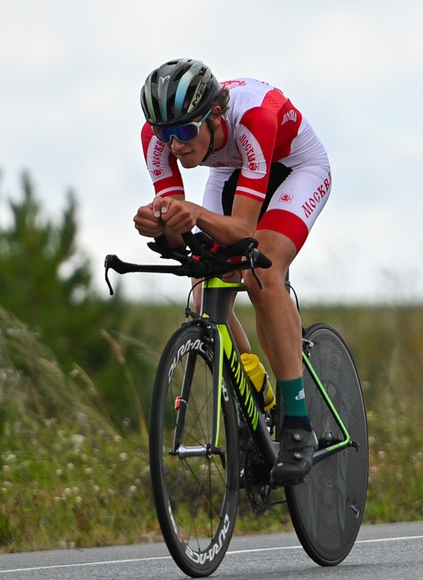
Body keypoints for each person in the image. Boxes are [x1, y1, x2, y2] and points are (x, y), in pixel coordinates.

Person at [134, 58, 333, 483]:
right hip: (231, 169)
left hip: (295, 167)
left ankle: (298, 424)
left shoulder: (253, 118)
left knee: (260, 272)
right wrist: (159, 224)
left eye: (185, 132)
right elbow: (178, 236)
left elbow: (243, 230)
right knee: (207, 291)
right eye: (166, 135)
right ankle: (257, 393)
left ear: (215, 115)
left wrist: (192, 214)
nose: (174, 146)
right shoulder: (158, 136)